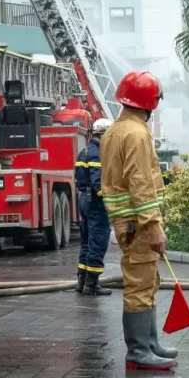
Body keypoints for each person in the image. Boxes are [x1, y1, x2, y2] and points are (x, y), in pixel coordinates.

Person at [100, 71, 177, 371]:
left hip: (127, 222)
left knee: (147, 280)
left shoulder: (114, 131)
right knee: (140, 285)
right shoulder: (137, 133)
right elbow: (141, 181)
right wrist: (154, 226)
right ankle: (138, 351)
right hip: (138, 223)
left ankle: (149, 344)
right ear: (150, 102)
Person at [75, 117, 113, 296]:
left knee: (86, 241)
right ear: (103, 135)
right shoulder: (97, 153)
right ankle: (92, 284)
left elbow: (79, 178)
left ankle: (81, 281)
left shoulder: (84, 150)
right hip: (95, 203)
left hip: (84, 199)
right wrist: (110, 200)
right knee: (98, 241)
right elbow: (98, 183)